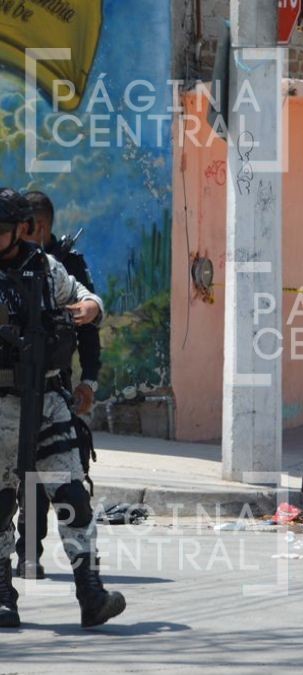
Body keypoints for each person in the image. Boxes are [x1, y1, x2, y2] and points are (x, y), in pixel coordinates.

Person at [0, 188, 125, 629]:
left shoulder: (44, 268)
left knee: (72, 497)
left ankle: (90, 593)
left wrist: (82, 312)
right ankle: (2, 595)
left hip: (49, 400)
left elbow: (90, 302)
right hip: (2, 405)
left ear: (19, 230)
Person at [15, 191, 102, 580]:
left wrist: (89, 382)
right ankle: (25, 558)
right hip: (11, 391)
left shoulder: (59, 267)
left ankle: (88, 582)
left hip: (54, 387)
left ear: (39, 227)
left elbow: (89, 326)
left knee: (64, 481)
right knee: (18, 485)